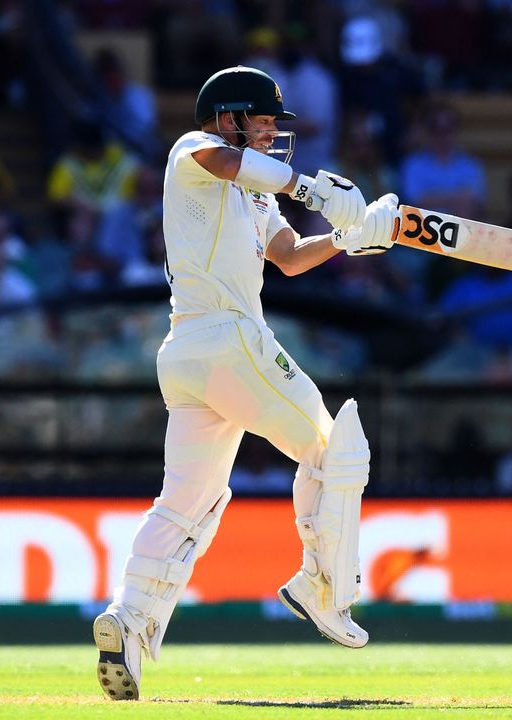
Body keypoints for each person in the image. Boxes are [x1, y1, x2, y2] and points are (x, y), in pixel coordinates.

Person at [91, 66, 401, 701]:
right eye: (261, 123)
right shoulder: (192, 152)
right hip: (227, 339)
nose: (271, 135)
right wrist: (315, 188)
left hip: (191, 360)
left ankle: (127, 620)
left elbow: (288, 258)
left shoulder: (259, 192)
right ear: (228, 117)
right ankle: (323, 588)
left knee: (190, 500)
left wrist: (350, 236)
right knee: (336, 448)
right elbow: (225, 162)